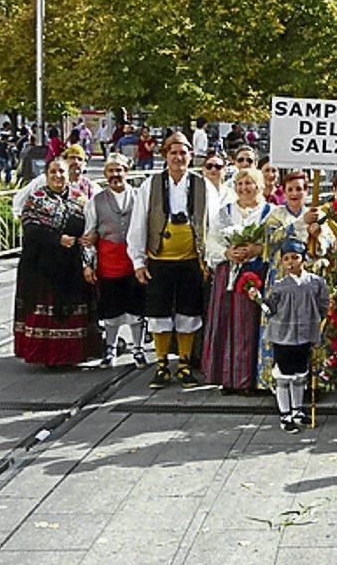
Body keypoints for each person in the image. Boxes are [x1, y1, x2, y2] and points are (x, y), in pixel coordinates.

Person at [127, 132, 220, 389]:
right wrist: (138, 261)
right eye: (173, 153)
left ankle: (184, 363)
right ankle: (160, 364)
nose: (178, 158)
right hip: (160, 260)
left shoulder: (203, 186)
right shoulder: (151, 185)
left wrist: (209, 261)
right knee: (158, 314)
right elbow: (138, 225)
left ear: (191, 156)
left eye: (183, 153)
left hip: (192, 261)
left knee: (189, 313)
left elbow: (214, 225)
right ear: (165, 156)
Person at [13, 157, 101, 366]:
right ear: (46, 175)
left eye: (61, 172)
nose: (57, 176)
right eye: (53, 172)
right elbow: (31, 229)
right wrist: (57, 239)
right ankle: (45, 355)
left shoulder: (80, 199)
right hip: (41, 266)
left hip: (71, 267)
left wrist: (91, 238)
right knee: (43, 310)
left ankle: (71, 354)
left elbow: (89, 228)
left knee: (71, 310)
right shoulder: (36, 199)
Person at [202, 167, 272, 393]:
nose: (244, 189)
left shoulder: (270, 212)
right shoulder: (225, 212)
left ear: (259, 186)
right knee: (227, 322)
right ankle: (227, 377)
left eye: (249, 183)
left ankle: (249, 379)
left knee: (250, 325)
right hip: (229, 273)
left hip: (257, 272)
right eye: (240, 184)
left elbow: (276, 240)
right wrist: (227, 253)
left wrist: (257, 249)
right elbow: (211, 241)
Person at [82, 154, 147, 369]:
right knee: (111, 309)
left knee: (136, 308)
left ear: (126, 172)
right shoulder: (97, 201)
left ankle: (138, 348)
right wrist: (88, 264)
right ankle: (109, 349)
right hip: (108, 260)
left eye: (119, 170)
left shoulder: (139, 196)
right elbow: (89, 235)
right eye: (110, 171)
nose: (115, 175)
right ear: (105, 174)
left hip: (134, 260)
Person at [260, 239, 328, 432]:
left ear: (303, 259)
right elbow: (270, 309)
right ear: (281, 262)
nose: (291, 262)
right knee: (284, 375)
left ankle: (297, 410)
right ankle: (285, 414)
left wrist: (316, 324)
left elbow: (323, 306)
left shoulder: (316, 283)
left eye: (295, 258)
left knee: (300, 374)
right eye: (286, 259)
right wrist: (257, 298)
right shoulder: (279, 285)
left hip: (305, 334)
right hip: (283, 335)